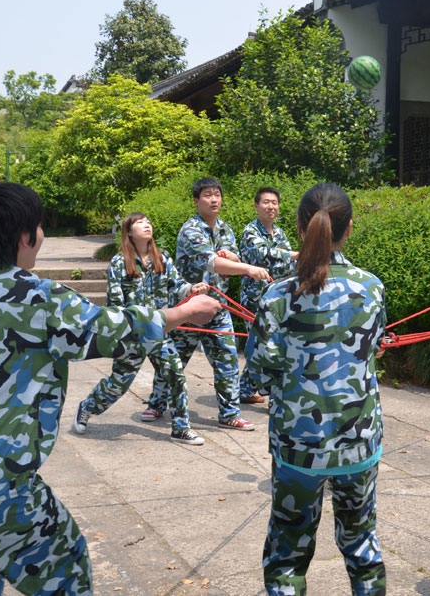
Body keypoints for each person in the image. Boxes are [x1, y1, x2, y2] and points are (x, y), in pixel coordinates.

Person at [0, 181, 220, 596]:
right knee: (66, 572)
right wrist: (185, 312)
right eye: (40, 228)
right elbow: (113, 331)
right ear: (25, 237)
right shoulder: (37, 296)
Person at [250, 183, 387, 596]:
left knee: (288, 551)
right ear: (349, 229)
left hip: (297, 444)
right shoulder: (372, 287)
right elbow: (373, 347)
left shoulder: (277, 294)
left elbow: (259, 371)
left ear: (298, 226)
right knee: (362, 541)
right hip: (357, 439)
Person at [73, 212, 209, 445]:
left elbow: (176, 285)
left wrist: (191, 289)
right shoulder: (119, 263)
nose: (147, 225)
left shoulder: (162, 258)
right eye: (140, 223)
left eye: (148, 221)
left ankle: (181, 427)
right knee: (118, 384)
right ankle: (86, 408)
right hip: (132, 335)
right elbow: (115, 304)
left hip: (159, 331)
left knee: (175, 375)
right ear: (128, 232)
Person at [148, 177, 269, 431]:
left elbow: (232, 255)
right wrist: (247, 268)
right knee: (174, 360)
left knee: (227, 359)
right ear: (196, 200)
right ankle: (157, 404)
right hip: (188, 307)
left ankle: (229, 413)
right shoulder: (190, 230)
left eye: (217, 194)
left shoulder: (225, 228)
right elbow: (213, 262)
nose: (214, 199)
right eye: (207, 195)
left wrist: (233, 257)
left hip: (217, 306)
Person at [237, 187, 298, 404]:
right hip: (255, 297)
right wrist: (293, 255)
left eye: (274, 202)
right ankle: (274, 394)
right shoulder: (250, 231)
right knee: (262, 343)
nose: (271, 206)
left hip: (278, 297)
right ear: (256, 206)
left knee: (266, 343)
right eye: (266, 202)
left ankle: (244, 389)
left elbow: (290, 264)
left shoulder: (280, 233)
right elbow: (264, 255)